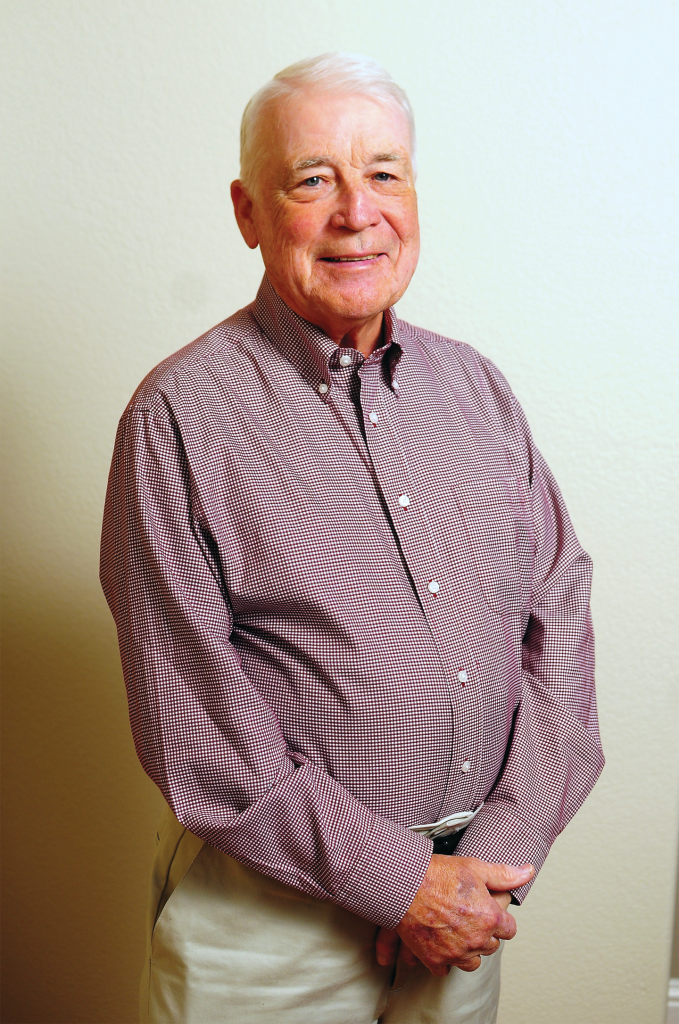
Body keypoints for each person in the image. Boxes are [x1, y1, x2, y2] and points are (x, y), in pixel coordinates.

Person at [100, 52, 604, 1024]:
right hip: (271, 930)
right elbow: (196, 731)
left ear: (414, 194)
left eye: (382, 172)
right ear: (248, 213)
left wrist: (490, 857)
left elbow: (561, 624)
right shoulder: (177, 415)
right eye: (312, 179)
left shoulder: (479, 390)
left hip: (470, 901)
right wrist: (400, 881)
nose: (355, 211)